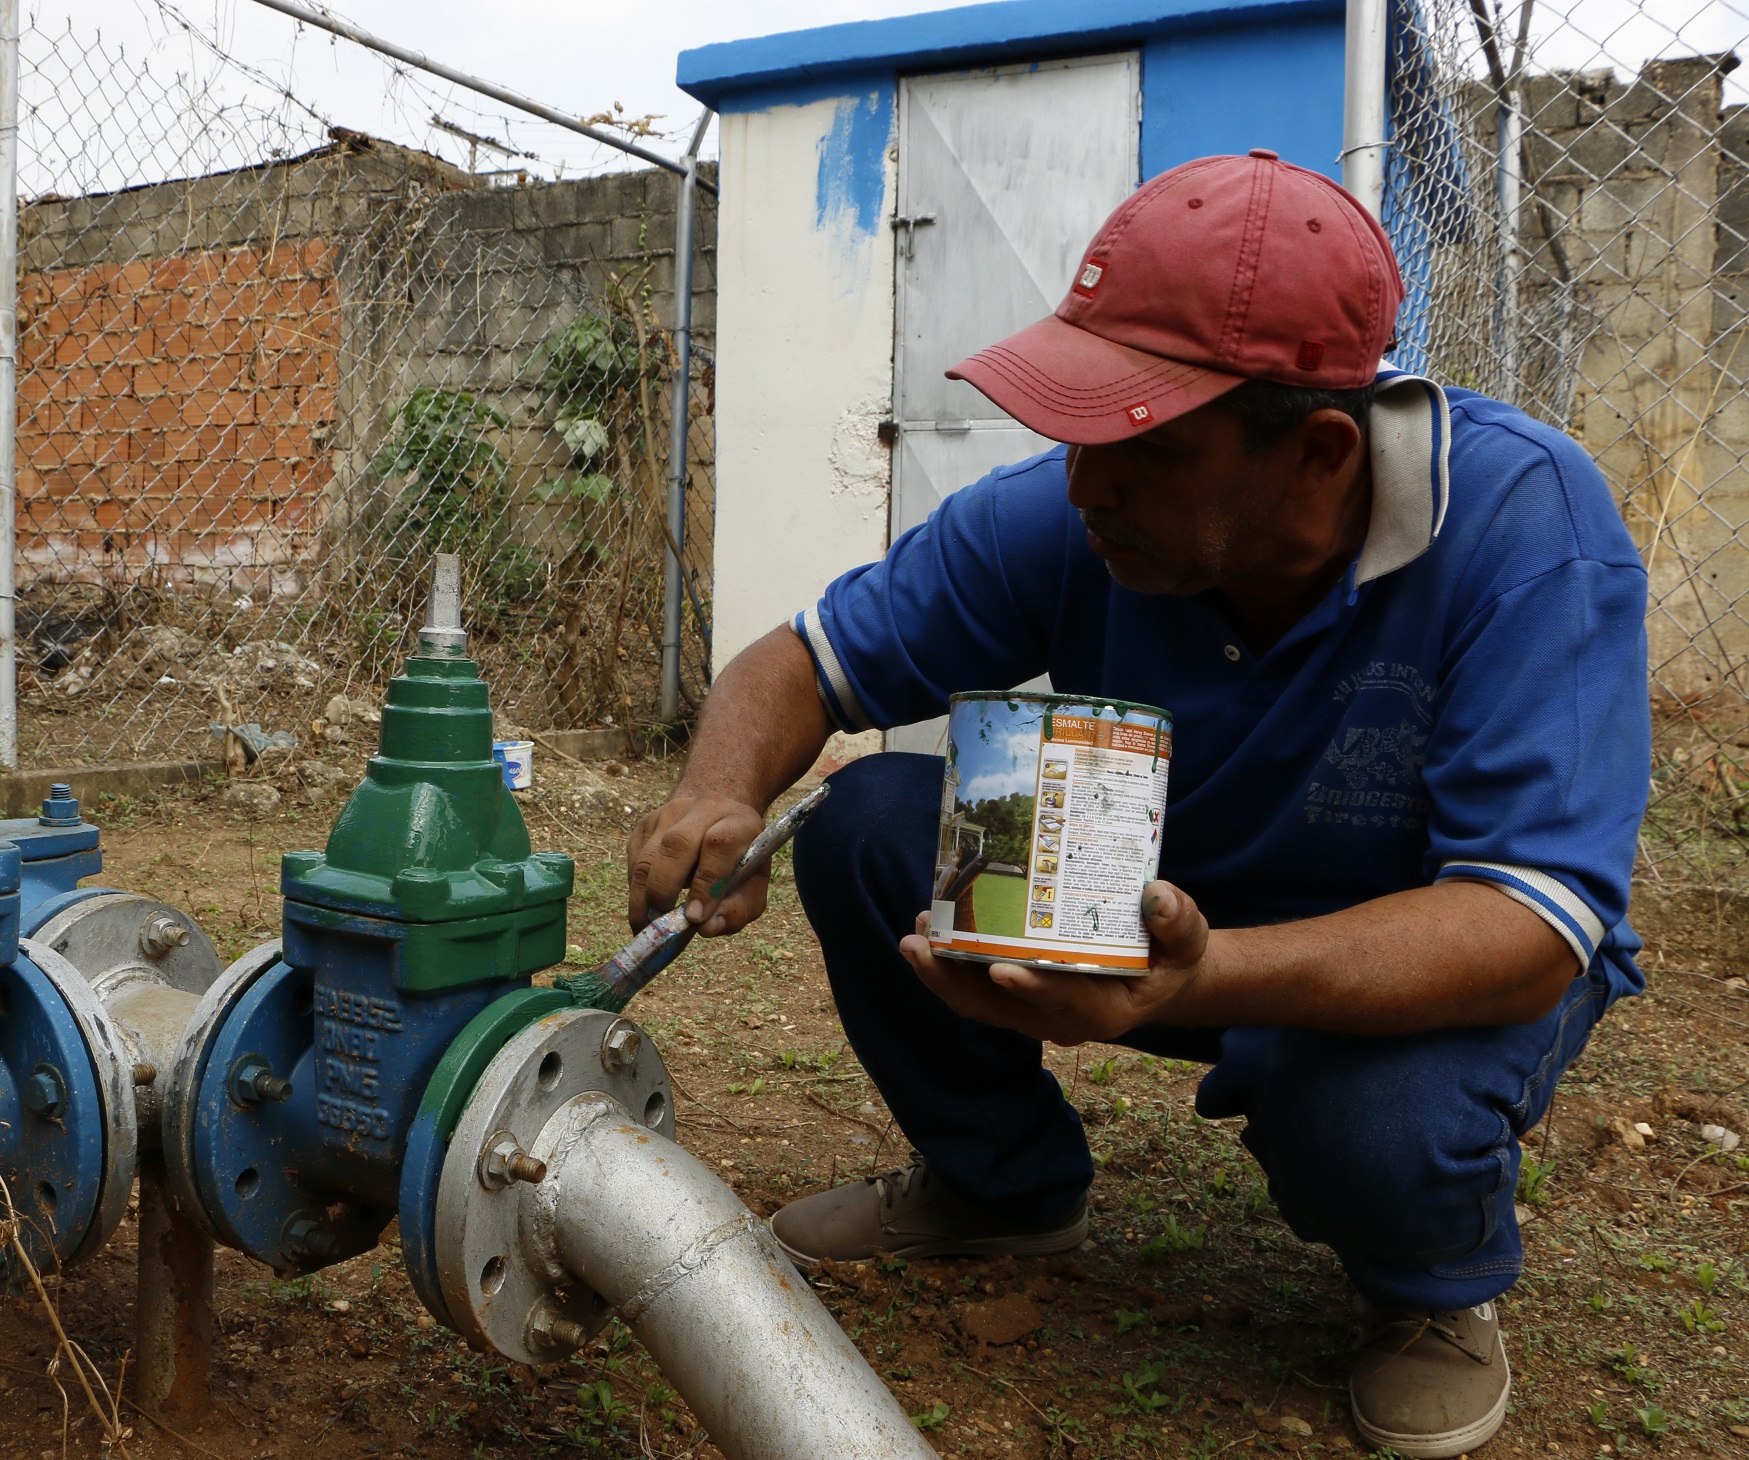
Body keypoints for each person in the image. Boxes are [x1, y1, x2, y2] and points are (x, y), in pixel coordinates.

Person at [626, 150, 1647, 1460]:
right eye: (1076, 430)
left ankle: (1428, 1298)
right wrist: (714, 791)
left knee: (1365, 1115)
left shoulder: (1523, 528)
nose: (1081, 482)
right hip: (1170, 914)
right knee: (868, 824)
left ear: (1320, 454)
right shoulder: (1074, 522)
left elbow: (1527, 925)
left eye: (1142, 447)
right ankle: (1001, 1184)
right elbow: (804, 663)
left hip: (1412, 953)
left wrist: (1208, 977)